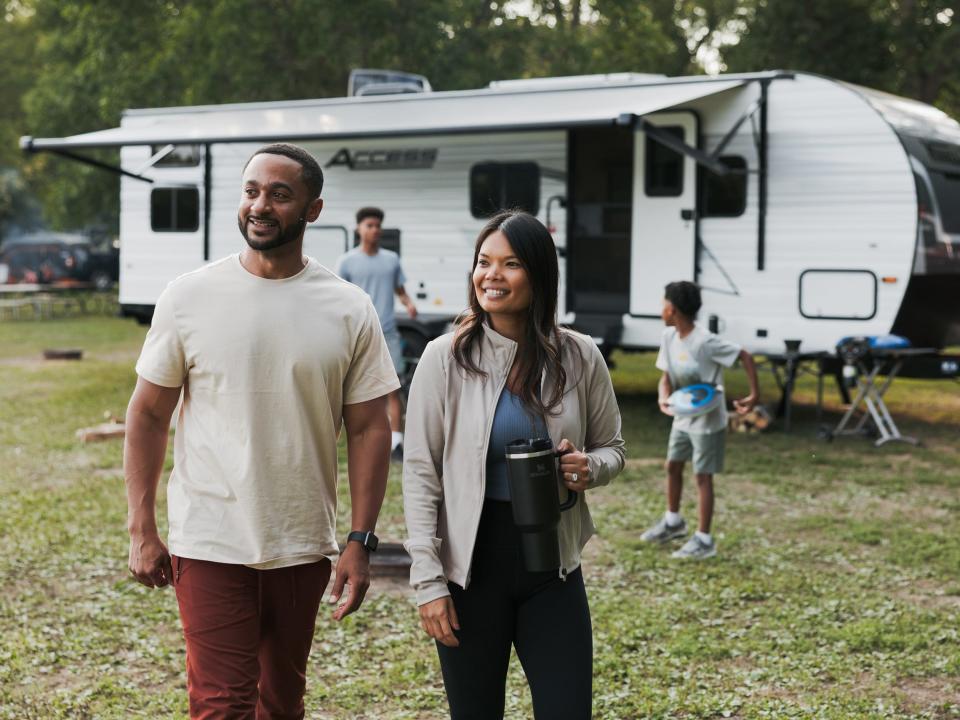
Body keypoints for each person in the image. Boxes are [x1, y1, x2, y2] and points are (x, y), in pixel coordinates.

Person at [124, 143, 399, 718]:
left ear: (313, 209)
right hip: (210, 538)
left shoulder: (348, 308)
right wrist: (141, 526)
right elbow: (149, 414)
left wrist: (361, 539)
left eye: (280, 194)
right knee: (221, 704)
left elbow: (371, 427)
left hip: (301, 541)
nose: (260, 205)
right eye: (251, 191)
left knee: (281, 701)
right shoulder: (188, 296)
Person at [402, 210, 625, 719]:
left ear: (540, 275)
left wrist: (591, 466)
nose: (491, 275)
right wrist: (429, 582)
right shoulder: (444, 357)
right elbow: (419, 474)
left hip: (553, 567)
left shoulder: (581, 356)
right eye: (483, 262)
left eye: (511, 263)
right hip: (469, 573)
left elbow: (614, 446)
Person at [640, 280, 760, 559]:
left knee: (702, 476)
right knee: (673, 465)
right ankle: (673, 523)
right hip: (683, 416)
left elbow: (745, 355)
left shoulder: (705, 341)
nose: (661, 310)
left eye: (663, 305)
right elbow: (666, 376)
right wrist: (663, 396)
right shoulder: (669, 337)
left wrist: (753, 395)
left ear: (672, 309)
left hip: (708, 420)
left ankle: (704, 540)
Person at [336, 207, 417, 462]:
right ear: (359, 228)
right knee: (355, 389)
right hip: (358, 332)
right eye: (369, 225)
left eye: (378, 225)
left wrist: (408, 303)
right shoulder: (347, 262)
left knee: (392, 389)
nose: (375, 229)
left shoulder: (391, 259)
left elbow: (400, 290)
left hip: (389, 333)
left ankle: (396, 444)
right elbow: (339, 297)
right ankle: (351, 437)